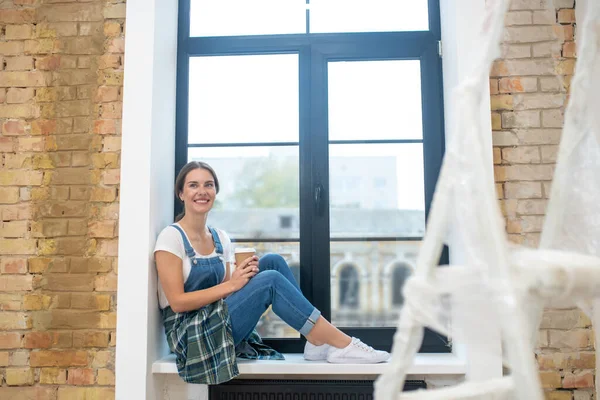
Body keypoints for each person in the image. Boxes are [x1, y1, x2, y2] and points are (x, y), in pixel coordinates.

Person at [154, 161, 390, 384]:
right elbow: (178, 302)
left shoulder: (220, 238)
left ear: (216, 192)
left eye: (209, 185)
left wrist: (242, 279)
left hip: (215, 318)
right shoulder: (171, 237)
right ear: (181, 194)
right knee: (270, 281)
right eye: (193, 185)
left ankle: (315, 341)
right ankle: (343, 344)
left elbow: (225, 295)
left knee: (272, 262)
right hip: (190, 335)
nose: (202, 191)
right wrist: (233, 285)